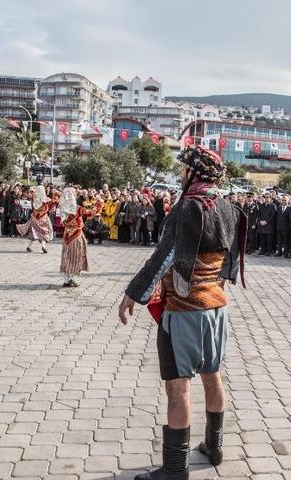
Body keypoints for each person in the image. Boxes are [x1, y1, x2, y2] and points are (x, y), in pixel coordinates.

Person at [118, 146, 246, 480]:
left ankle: (176, 470)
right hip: (217, 306)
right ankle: (214, 447)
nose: (180, 174)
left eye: (183, 170)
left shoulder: (188, 207)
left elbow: (164, 257)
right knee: (212, 373)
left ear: (193, 173)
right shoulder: (228, 207)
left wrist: (134, 293)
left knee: (179, 387)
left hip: (185, 308)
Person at [59, 187, 102, 287]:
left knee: (66, 255)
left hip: (66, 235)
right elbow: (90, 213)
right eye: (74, 194)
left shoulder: (62, 207)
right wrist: (99, 204)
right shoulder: (76, 208)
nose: (75, 195)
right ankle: (72, 278)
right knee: (76, 255)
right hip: (76, 235)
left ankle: (66, 279)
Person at [17, 185, 56, 253]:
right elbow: (54, 201)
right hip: (43, 218)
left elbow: (26, 196)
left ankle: (29, 246)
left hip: (34, 217)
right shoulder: (46, 200)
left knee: (34, 232)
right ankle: (43, 246)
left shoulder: (33, 198)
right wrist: (55, 194)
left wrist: (31, 190)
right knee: (44, 231)